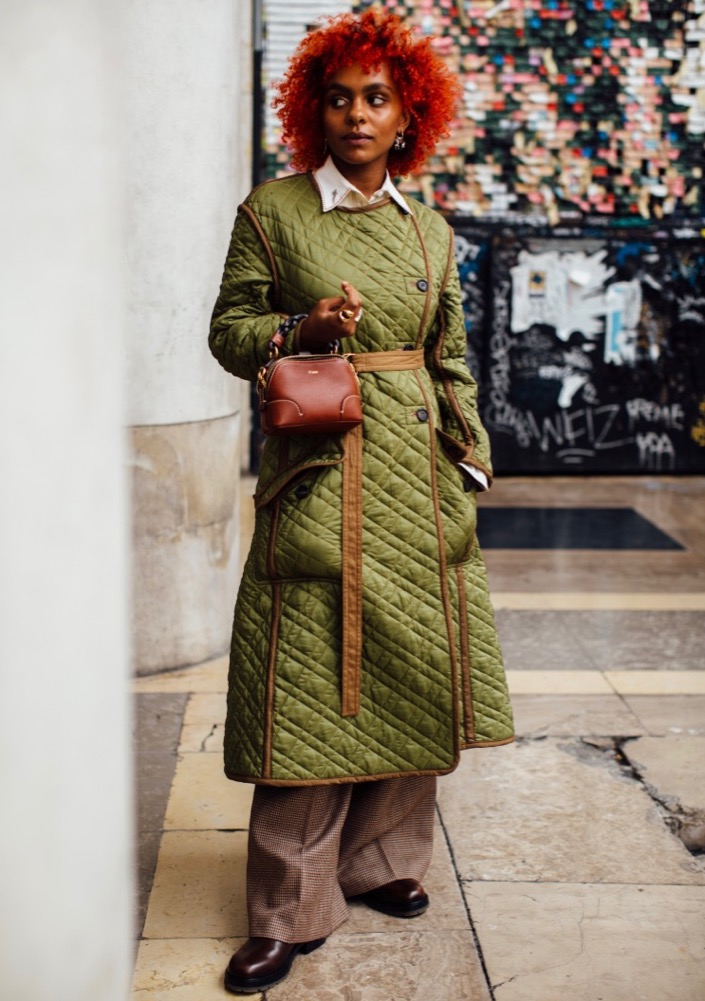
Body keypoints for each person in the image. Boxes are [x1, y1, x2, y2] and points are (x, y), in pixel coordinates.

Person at [209, 8, 514, 995]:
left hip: (420, 488)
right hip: (321, 477)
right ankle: (284, 910)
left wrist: (469, 466)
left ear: (406, 112)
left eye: (375, 97)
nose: (354, 113)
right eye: (337, 96)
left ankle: (385, 865)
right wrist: (305, 325)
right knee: (304, 681)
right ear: (313, 109)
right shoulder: (275, 211)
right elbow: (230, 331)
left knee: (409, 670)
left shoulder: (431, 229)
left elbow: (451, 357)